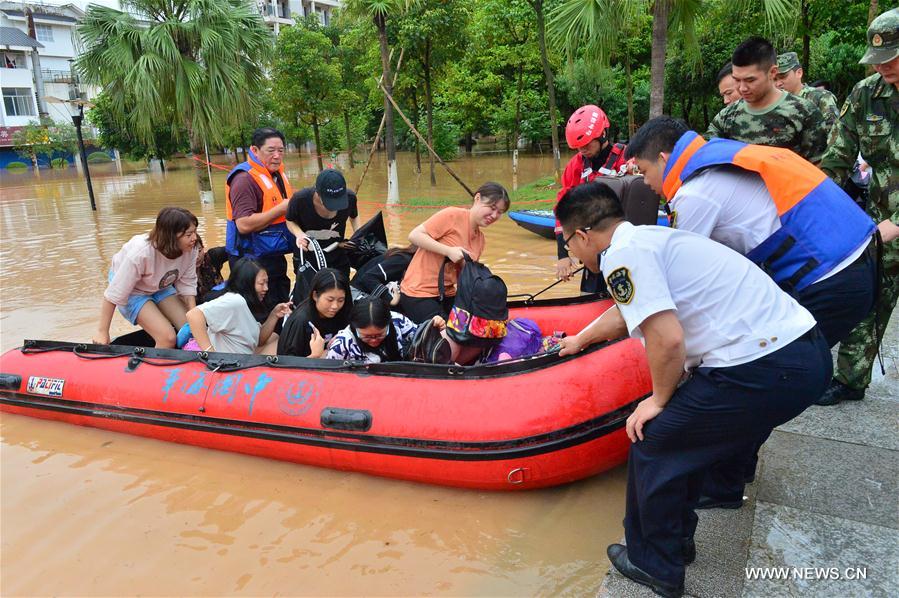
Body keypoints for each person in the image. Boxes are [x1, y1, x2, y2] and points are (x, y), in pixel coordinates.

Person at [555, 181, 830, 597]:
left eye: (569, 246)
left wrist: (658, 400)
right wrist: (580, 340)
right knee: (688, 435)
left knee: (653, 440)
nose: (572, 256)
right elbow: (630, 309)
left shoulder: (621, 256)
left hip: (765, 366)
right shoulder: (650, 238)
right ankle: (681, 536)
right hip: (802, 351)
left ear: (582, 235)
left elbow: (667, 339)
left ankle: (654, 564)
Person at [627, 116, 876, 348]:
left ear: (662, 158)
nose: (646, 182)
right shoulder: (718, 156)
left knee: (785, 363)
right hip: (856, 258)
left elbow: (683, 277)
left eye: (645, 171)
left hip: (830, 276)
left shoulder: (695, 192)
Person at [818, 7, 899, 406]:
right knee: (869, 298)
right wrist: (810, 206)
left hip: (893, 224)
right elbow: (837, 157)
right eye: (880, 59)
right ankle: (850, 380)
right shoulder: (866, 93)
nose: (885, 67)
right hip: (881, 227)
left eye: (894, 58)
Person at [399, 183, 510, 323]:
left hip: (448, 293)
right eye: (492, 207)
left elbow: (463, 278)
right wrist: (448, 251)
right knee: (446, 335)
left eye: (500, 212)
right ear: (477, 198)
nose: (494, 215)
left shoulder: (480, 240)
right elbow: (414, 235)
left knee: (474, 328)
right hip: (419, 292)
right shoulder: (452, 215)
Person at [706, 36, 828, 163]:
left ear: (772, 72)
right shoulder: (727, 117)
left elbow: (818, 170)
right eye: (737, 80)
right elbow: (708, 153)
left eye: (750, 80)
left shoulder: (804, 113)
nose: (742, 88)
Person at [94, 207, 199, 348]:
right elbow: (113, 294)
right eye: (189, 234)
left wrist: (194, 318)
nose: (195, 238)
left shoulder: (191, 249)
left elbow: (188, 285)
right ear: (171, 237)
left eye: (195, 232)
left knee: (190, 329)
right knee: (167, 337)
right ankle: (158, 368)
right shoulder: (141, 254)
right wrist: (102, 331)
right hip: (133, 290)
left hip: (159, 285)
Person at [556, 104, 630, 292]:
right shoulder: (576, 166)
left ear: (603, 135)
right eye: (579, 147)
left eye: (587, 144)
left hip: (624, 247)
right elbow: (562, 209)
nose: (583, 150)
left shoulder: (627, 160)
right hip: (592, 251)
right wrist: (562, 254)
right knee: (587, 296)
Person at [224, 127, 294, 308]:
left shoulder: (276, 174)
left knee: (281, 302)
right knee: (259, 310)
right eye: (271, 151)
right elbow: (243, 225)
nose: (277, 156)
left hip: (273, 252)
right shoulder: (243, 180)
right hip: (249, 260)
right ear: (254, 150)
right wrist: (281, 209)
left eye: (281, 151)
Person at [184, 258, 292, 355]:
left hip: (241, 353)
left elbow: (258, 340)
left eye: (267, 283)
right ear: (247, 284)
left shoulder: (246, 302)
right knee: (279, 347)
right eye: (261, 283)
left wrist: (274, 315)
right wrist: (210, 353)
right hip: (229, 361)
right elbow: (193, 315)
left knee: (275, 337)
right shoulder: (235, 301)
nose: (266, 288)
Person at [285, 168, 361, 278]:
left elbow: (354, 216)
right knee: (310, 293)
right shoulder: (300, 199)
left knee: (341, 291)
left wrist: (358, 235)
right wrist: (299, 234)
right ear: (318, 192)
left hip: (337, 255)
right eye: (330, 201)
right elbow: (290, 220)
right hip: (308, 259)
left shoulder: (350, 197)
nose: (334, 208)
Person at [277, 268, 353, 358]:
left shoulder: (343, 311)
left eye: (340, 300)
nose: (335, 306)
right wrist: (315, 356)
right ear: (315, 295)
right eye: (330, 300)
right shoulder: (300, 321)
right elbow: (285, 365)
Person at [326, 296, 423, 364]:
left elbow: (422, 337)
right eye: (366, 336)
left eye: (379, 335)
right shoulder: (343, 343)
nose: (373, 340)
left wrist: (432, 326)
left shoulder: (398, 321)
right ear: (355, 329)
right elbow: (329, 372)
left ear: (388, 324)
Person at [775, 51, 840, 128]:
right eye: (774, 79)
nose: (778, 83)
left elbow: (834, 133)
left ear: (799, 73)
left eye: (783, 77)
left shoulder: (820, 98)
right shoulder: (774, 104)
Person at [351, 245, 416, 299]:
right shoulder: (403, 260)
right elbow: (368, 277)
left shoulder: (409, 259)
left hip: (366, 291)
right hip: (358, 292)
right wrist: (389, 299)